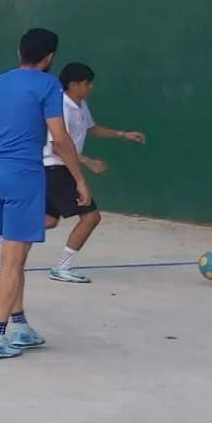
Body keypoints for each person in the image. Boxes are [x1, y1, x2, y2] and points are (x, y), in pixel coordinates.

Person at [0, 28, 89, 359]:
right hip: (22, 176)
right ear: (49, 57)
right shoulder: (48, 85)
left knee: (12, 254)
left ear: (19, 52)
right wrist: (79, 178)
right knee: (11, 261)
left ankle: (19, 326)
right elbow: (60, 139)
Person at [40, 62, 147, 283]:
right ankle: (62, 267)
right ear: (73, 84)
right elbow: (58, 145)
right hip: (55, 167)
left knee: (49, 220)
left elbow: (91, 128)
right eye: (87, 83)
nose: (91, 88)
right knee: (91, 217)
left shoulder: (80, 105)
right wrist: (87, 162)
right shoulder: (61, 107)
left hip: (60, 168)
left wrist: (123, 134)